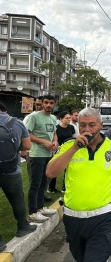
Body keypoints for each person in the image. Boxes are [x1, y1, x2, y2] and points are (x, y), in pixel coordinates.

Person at [46, 108, 111, 262]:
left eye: (92, 125)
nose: (87, 129)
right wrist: (74, 148)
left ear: (101, 125)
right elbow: (50, 173)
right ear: (78, 126)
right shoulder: (69, 146)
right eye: (83, 125)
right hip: (73, 219)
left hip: (103, 219)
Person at [0, 102, 37, 252]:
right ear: (5, 110)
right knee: (17, 199)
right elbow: (27, 146)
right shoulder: (17, 123)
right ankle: (23, 226)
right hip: (11, 170)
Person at [25, 94, 58, 223]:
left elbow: (54, 133)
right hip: (36, 154)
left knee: (44, 182)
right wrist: (43, 142)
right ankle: (33, 212)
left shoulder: (53, 118)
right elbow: (26, 134)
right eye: (46, 103)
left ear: (54, 104)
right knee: (35, 183)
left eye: (51, 103)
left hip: (48, 155)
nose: (49, 105)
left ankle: (40, 208)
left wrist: (55, 142)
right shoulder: (34, 117)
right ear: (42, 104)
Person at [53, 111, 75, 194]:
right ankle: (51, 188)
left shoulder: (71, 128)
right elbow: (54, 139)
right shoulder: (56, 128)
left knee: (68, 170)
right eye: (67, 118)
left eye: (70, 118)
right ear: (61, 119)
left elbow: (73, 138)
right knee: (56, 169)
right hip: (58, 151)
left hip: (68, 151)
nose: (69, 119)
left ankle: (64, 187)